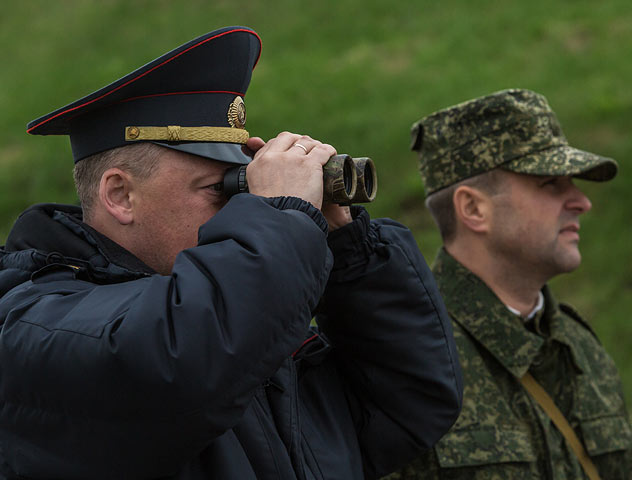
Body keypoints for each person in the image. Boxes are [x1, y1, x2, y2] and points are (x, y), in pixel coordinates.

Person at [0, 26, 462, 479]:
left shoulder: (242, 322)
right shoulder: (37, 319)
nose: (241, 208)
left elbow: (411, 405)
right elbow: (178, 360)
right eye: (218, 189)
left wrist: (345, 249)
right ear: (120, 195)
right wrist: (283, 220)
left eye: (243, 183)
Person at [386, 89, 632, 479]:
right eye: (551, 183)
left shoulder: (580, 348)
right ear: (473, 209)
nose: (581, 202)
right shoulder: (407, 359)